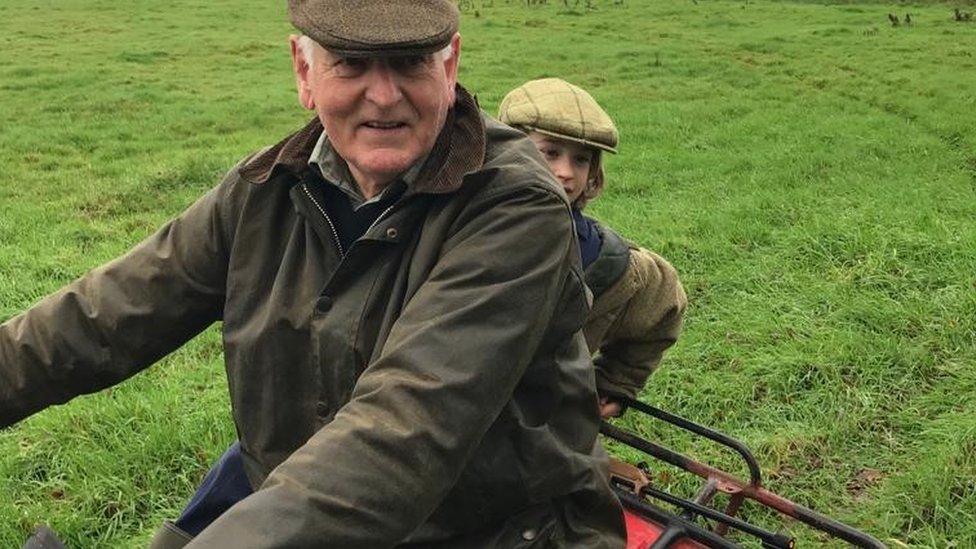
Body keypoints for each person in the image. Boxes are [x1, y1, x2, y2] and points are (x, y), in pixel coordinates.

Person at [0, 1, 626, 547]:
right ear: (305, 71)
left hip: (491, 532)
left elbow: (405, 430)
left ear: (450, 65)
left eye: (410, 62)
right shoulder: (265, 191)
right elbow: (100, 317)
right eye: (350, 63)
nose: (383, 96)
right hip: (300, 506)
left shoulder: (516, 208)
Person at [498, 78, 687, 419]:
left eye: (581, 160)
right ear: (508, 148)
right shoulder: (461, 226)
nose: (565, 173)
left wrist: (618, 380)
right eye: (550, 153)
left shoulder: (601, 259)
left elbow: (664, 302)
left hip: (539, 432)